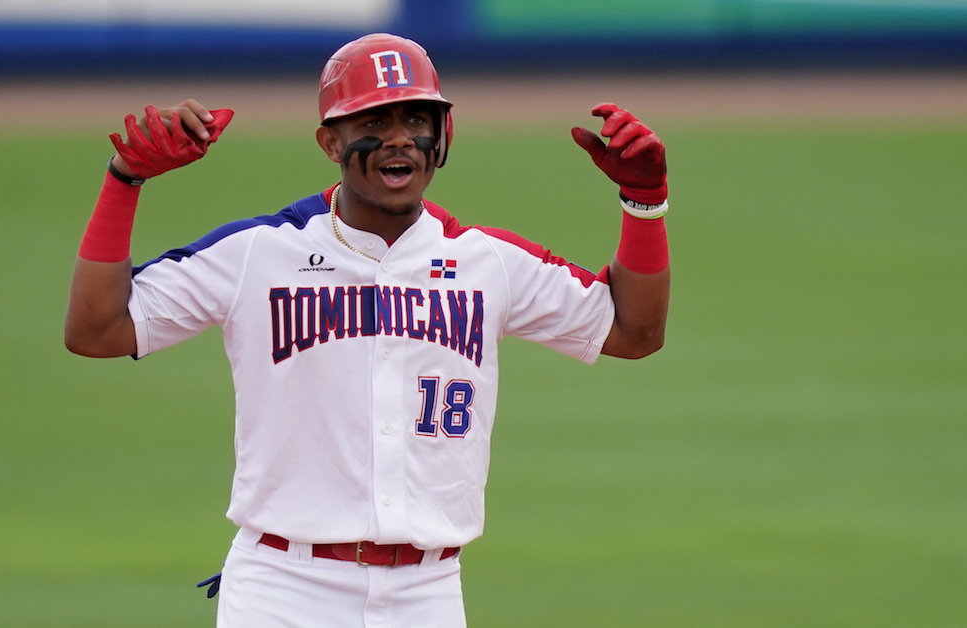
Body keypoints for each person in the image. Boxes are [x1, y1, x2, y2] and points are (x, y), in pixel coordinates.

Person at [65, 32, 671, 628]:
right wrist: (125, 180)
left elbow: (633, 331)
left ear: (443, 135)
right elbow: (97, 330)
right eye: (373, 122)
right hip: (283, 590)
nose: (398, 138)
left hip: (429, 593)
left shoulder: (487, 263)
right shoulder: (259, 253)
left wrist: (643, 200)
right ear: (331, 141)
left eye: (417, 118)